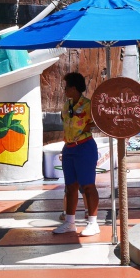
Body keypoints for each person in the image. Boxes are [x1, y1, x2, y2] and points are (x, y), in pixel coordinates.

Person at [55, 72, 100, 237]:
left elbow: (99, 120)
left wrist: (91, 126)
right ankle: (70, 222)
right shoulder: (66, 106)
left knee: (88, 186)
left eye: (66, 86)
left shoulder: (89, 104)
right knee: (70, 187)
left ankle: (93, 223)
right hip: (69, 148)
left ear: (74, 88)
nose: (65, 90)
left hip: (84, 147)